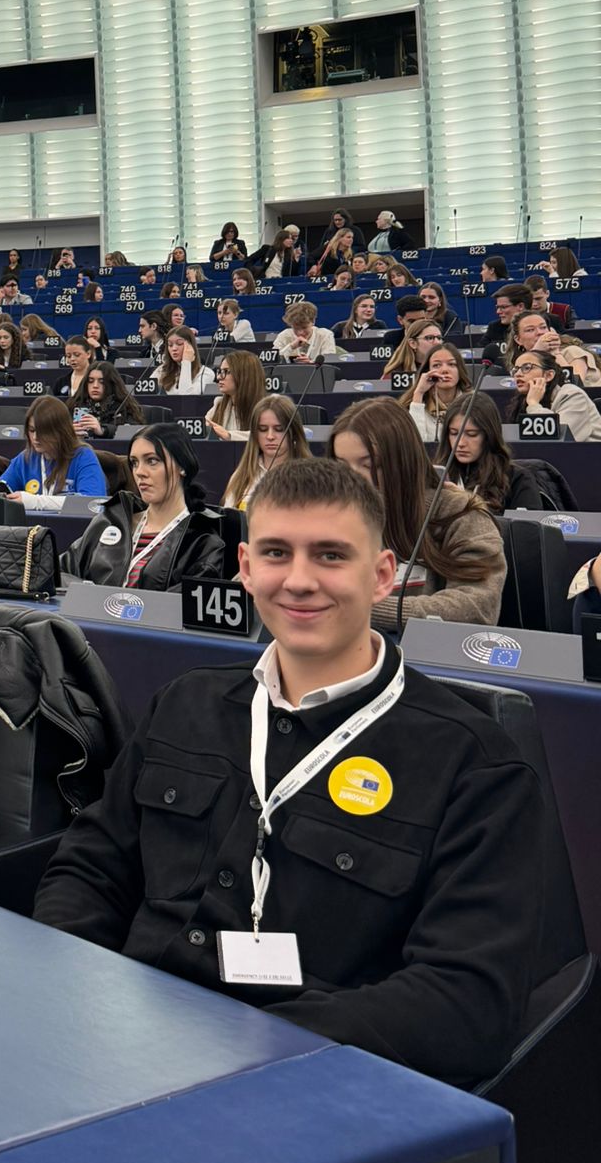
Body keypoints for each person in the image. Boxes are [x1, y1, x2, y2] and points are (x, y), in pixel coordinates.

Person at [37, 453, 543, 1090]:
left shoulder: (476, 765)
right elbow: (89, 867)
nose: (299, 581)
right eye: (276, 553)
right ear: (246, 568)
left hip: (310, 1085)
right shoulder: (185, 702)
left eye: (331, 555)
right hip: (117, 1047)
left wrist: (246, 1052)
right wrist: (77, 995)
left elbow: (467, 1001)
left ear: (383, 576)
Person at [329, 400, 505, 627]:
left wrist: (364, 608)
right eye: (342, 466)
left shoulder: (461, 514)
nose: (353, 480)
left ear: (404, 462)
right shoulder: (333, 518)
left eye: (370, 465)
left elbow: (477, 607)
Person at [64, 424, 224, 587]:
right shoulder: (112, 519)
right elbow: (61, 572)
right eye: (134, 463)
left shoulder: (201, 541)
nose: (139, 472)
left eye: (152, 461)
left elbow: (184, 600)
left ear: (182, 466)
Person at [435, 394, 551, 515]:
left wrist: (468, 502)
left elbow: (527, 526)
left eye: (472, 434)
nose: (460, 443)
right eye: (454, 433)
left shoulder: (518, 479)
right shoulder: (438, 475)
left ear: (489, 435)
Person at [0, 397, 108, 498]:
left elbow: (91, 502)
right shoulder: (25, 458)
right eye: (32, 430)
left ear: (60, 431)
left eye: (43, 431)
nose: (36, 437)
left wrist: (34, 502)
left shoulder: (83, 456)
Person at [223, 394, 311, 510]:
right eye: (263, 429)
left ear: (294, 432)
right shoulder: (241, 476)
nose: (270, 436)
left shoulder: (310, 477)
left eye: (279, 429)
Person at [507, 348, 601, 440]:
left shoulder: (573, 395)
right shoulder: (521, 400)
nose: (518, 374)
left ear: (548, 375)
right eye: (515, 370)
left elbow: (560, 438)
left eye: (527, 368)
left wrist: (533, 404)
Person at [400, 343, 472, 442]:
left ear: (459, 370)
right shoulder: (416, 404)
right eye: (437, 365)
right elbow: (416, 444)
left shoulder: (473, 403)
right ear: (427, 371)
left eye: (451, 364)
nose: (444, 370)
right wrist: (418, 394)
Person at [206, 349, 267, 440]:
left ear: (244, 375)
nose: (219, 377)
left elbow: (267, 436)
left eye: (226, 371)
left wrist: (229, 436)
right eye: (220, 371)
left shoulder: (266, 408)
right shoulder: (219, 404)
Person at [153, 328, 216, 398]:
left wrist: (186, 362)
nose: (174, 348)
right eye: (170, 345)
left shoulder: (206, 373)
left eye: (179, 344)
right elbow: (148, 394)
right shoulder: (162, 370)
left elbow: (186, 398)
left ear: (191, 346)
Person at [271, 301, 336, 363]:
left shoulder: (325, 335)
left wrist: (311, 364)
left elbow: (330, 362)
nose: (300, 332)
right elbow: (273, 360)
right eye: (296, 328)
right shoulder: (284, 336)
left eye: (304, 328)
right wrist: (291, 347)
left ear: (313, 321)